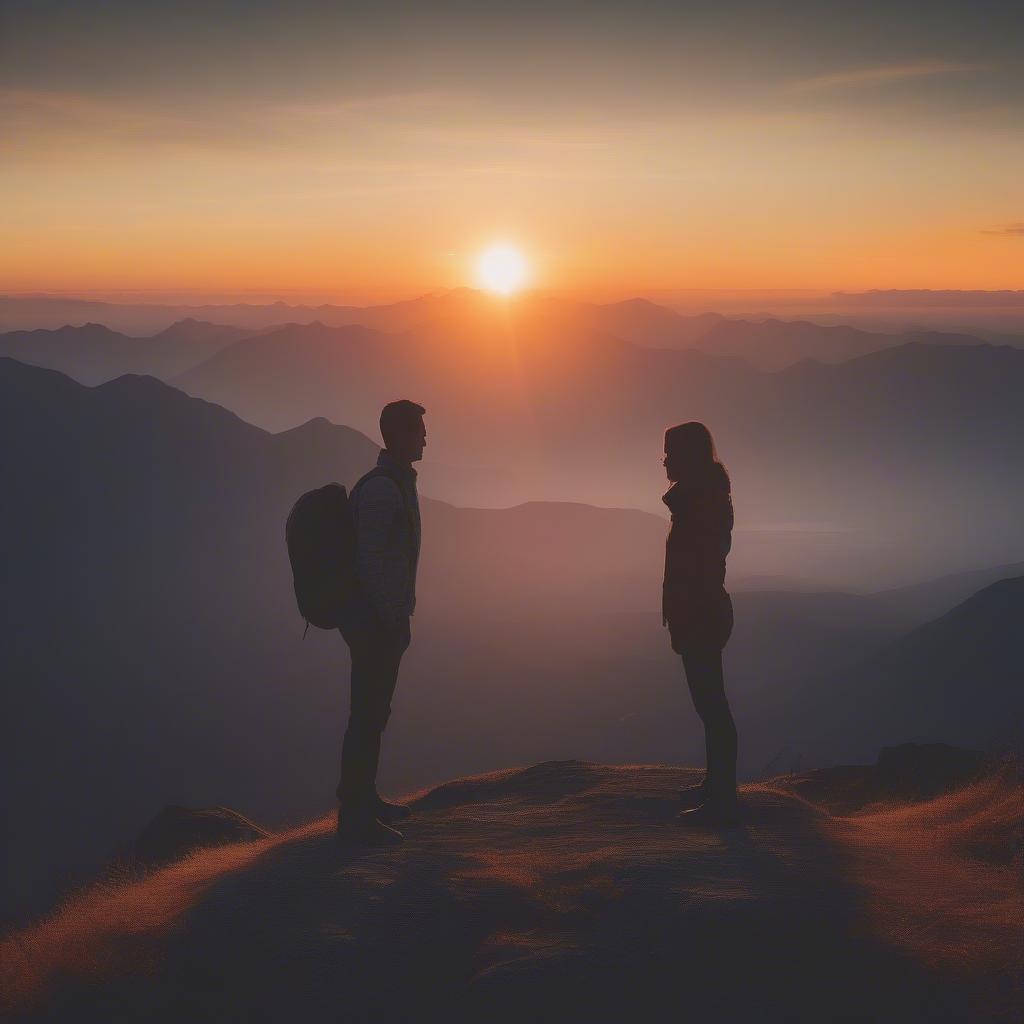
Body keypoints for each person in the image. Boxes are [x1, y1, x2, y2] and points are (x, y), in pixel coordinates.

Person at [336, 400, 426, 844]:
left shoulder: (395, 484)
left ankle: (364, 799)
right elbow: (369, 562)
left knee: (374, 714)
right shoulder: (383, 491)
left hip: (382, 623)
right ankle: (354, 816)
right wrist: (392, 616)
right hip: (375, 625)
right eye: (419, 431)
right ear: (399, 436)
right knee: (367, 715)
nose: (426, 439)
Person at [661, 421, 739, 827]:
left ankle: (723, 799)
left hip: (702, 615)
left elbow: (702, 562)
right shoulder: (699, 498)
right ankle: (716, 786)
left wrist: (686, 608)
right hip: (700, 613)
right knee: (709, 706)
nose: (664, 459)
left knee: (713, 707)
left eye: (671, 452)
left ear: (688, 455)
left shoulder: (702, 502)